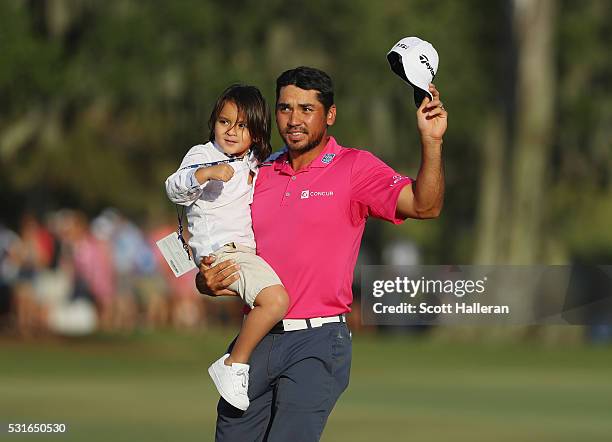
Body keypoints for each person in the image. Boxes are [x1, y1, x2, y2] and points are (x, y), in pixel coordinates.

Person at [197, 66, 447, 441]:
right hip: (257, 338)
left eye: (306, 109)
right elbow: (216, 235)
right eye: (284, 109)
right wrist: (207, 279)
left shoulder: (354, 167)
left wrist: (431, 142)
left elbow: (425, 206)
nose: (293, 120)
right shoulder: (257, 171)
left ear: (329, 115)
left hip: (317, 341)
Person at [165, 85, 290, 411]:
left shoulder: (254, 162)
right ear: (213, 123)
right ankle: (234, 363)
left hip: (243, 252)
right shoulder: (203, 155)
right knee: (276, 300)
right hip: (221, 252)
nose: (231, 131)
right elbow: (174, 187)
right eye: (224, 122)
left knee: (273, 302)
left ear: (257, 133)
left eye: (242, 125)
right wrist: (205, 174)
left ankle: (241, 361)